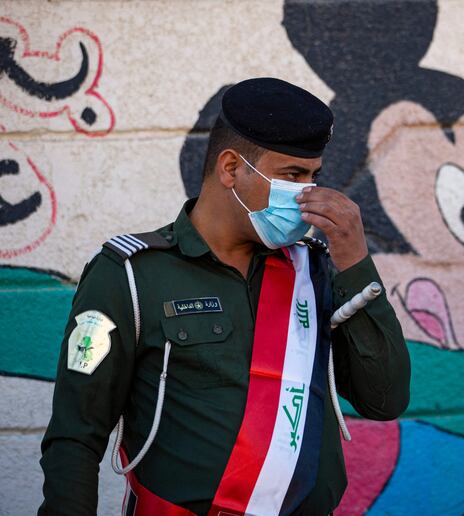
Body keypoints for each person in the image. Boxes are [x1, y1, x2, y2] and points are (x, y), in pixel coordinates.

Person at [38, 77, 411, 515]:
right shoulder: (132, 274)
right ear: (231, 168)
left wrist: (355, 263)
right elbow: (75, 434)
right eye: (292, 175)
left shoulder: (312, 270)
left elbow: (384, 400)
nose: (308, 194)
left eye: (314, 176)